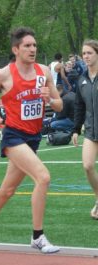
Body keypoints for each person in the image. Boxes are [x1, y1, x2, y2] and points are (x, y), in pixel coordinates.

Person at [0, 27, 63, 254]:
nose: (33, 49)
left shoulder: (44, 72)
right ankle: (37, 236)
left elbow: (60, 105)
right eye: (27, 46)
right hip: (12, 136)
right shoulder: (3, 74)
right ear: (16, 49)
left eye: (34, 45)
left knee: (7, 190)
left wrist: (49, 98)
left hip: (33, 137)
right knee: (43, 177)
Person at [72, 39, 98, 220]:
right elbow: (79, 107)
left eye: (89, 53)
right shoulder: (81, 80)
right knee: (88, 166)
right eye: (84, 54)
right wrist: (75, 129)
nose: (86, 56)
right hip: (91, 131)